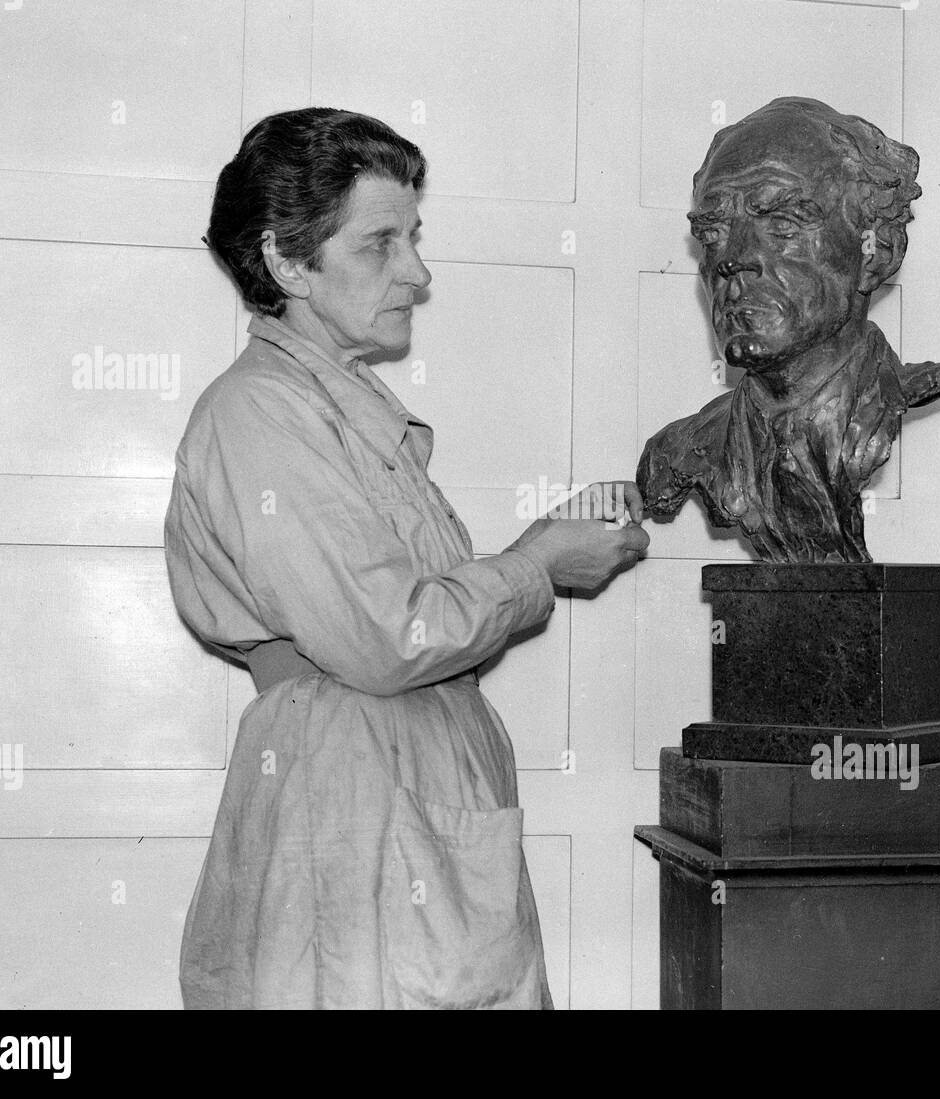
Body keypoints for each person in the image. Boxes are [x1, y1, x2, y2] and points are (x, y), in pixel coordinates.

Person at [163, 107, 648, 1009]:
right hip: (350, 798)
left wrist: (536, 557)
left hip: (399, 792)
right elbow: (391, 637)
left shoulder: (341, 408)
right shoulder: (260, 414)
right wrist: (537, 563)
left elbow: (409, 616)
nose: (416, 272)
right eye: (380, 243)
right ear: (286, 262)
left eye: (413, 238)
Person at [636, 97, 940, 564]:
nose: (731, 259)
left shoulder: (904, 393)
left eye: (782, 223)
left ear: (876, 253)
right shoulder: (682, 450)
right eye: (712, 233)